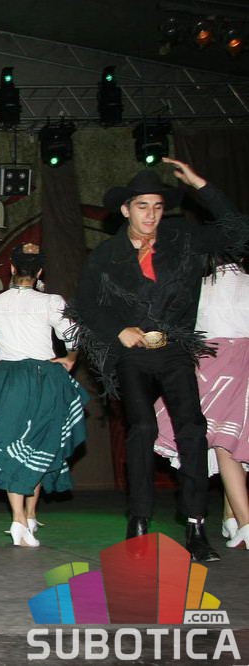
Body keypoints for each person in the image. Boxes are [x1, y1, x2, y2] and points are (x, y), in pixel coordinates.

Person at [73, 157, 249, 562]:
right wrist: (118, 330)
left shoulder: (182, 237)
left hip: (175, 349)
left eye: (156, 206)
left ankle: (195, 524)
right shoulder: (107, 254)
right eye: (142, 206)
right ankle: (138, 522)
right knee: (141, 428)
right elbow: (85, 304)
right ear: (125, 210)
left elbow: (237, 232)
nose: (150, 215)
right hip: (132, 353)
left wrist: (200, 185)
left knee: (192, 429)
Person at [0, 243, 88, 547]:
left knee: (13, 445)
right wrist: (69, 359)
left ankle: (20, 518)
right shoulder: (51, 300)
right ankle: (27, 516)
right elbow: (73, 336)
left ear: (11, 269)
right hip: (42, 378)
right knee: (39, 444)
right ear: (39, 271)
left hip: (7, 379)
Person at [151, 255, 249, 549]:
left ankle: (244, 521)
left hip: (214, 364)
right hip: (241, 363)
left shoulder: (202, 287)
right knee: (234, 440)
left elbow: (185, 331)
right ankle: (233, 518)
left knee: (224, 443)